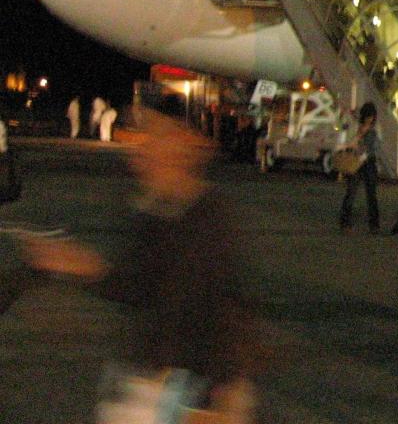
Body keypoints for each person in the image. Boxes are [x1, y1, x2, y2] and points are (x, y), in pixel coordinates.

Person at [19, 105, 258, 422]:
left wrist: (226, 386)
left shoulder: (206, 216)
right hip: (153, 379)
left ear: (187, 145)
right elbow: (138, 287)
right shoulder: (157, 211)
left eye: (158, 137)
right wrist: (83, 266)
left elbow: (217, 305)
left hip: (183, 385)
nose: (143, 151)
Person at [339, 102, 381, 233]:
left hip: (368, 161)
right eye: (368, 116)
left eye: (371, 117)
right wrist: (357, 136)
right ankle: (345, 223)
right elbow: (349, 139)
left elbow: (376, 146)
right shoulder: (356, 126)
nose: (369, 119)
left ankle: (374, 224)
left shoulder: (375, 129)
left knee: (371, 194)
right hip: (356, 161)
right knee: (351, 192)